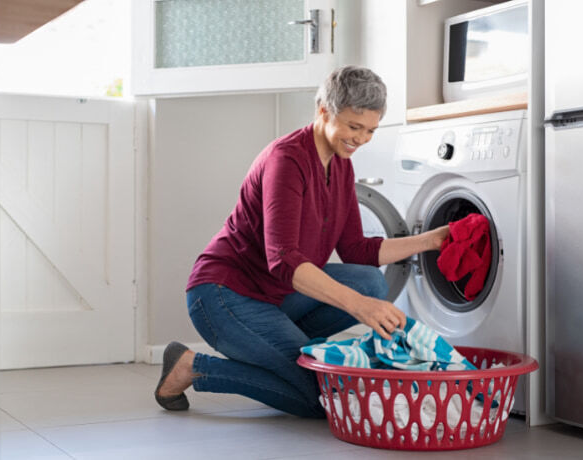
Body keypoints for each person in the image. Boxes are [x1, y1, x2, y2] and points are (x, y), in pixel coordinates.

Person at [154, 66, 449, 418]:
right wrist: (358, 307)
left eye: (370, 130)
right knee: (323, 397)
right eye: (354, 127)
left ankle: (278, 353)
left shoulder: (341, 165)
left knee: (371, 282)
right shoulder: (286, 160)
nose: (362, 139)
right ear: (324, 112)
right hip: (224, 295)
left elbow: (356, 249)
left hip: (276, 296)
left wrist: (432, 240)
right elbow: (285, 260)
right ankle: (193, 367)